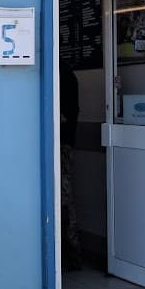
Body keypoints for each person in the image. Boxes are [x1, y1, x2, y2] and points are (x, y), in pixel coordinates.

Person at [60, 60, 82, 271]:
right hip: (65, 144)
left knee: (64, 200)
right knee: (65, 199)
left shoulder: (60, 73)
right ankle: (70, 255)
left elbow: (63, 116)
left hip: (62, 145)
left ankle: (70, 255)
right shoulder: (66, 72)